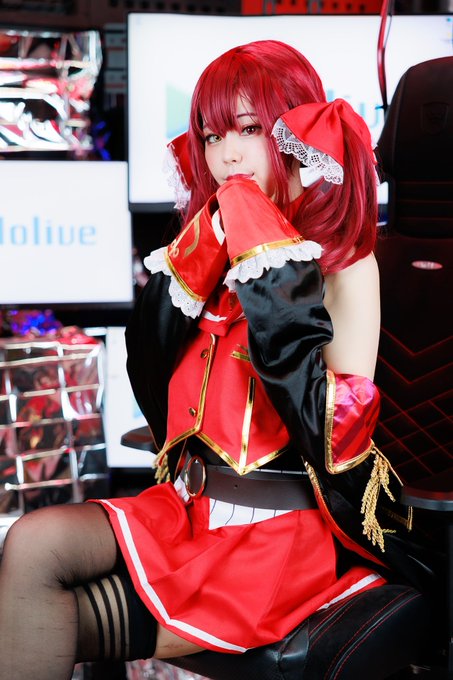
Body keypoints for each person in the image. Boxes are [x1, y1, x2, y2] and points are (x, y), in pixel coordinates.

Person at [0, 39, 421, 680]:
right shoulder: (211, 249)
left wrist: (271, 268)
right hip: (186, 511)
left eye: (249, 130)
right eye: (212, 135)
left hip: (275, 539)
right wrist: (197, 262)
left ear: (294, 132)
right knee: (30, 541)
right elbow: (149, 378)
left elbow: (334, 434)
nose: (227, 154)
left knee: (41, 614)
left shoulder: (344, 262)